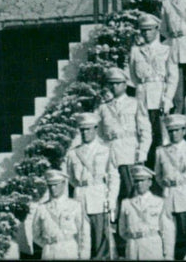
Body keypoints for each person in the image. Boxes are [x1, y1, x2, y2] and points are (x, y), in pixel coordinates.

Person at [65, 111, 119, 260]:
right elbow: (69, 177)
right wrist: (80, 186)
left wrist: (112, 199)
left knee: (100, 235)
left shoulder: (105, 150)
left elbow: (114, 177)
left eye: (88, 129)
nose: (85, 133)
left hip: (98, 194)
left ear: (96, 129)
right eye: (82, 130)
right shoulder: (73, 153)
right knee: (82, 234)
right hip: (80, 195)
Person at [153, 112, 186, 258]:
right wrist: (167, 184)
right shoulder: (161, 151)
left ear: (184, 131)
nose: (174, 133)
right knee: (168, 232)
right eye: (171, 131)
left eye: (177, 130)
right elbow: (158, 175)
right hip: (169, 194)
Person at [98, 67, 152, 205]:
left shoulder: (134, 103)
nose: (114, 86)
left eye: (117, 83)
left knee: (131, 192)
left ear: (125, 84)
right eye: (111, 83)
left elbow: (145, 131)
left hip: (129, 152)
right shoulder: (103, 108)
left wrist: (142, 152)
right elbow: (100, 135)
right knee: (111, 192)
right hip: (110, 152)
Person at [128, 13, 179, 159]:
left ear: (157, 29)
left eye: (150, 29)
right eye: (144, 30)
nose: (147, 33)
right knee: (143, 131)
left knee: (162, 132)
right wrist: (142, 88)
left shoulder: (166, 50)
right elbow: (133, 76)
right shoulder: (136, 51)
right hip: (143, 94)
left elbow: (172, 76)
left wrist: (168, 97)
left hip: (160, 94)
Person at [118, 164, 176, 261]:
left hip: (152, 247)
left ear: (150, 182)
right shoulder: (126, 204)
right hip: (133, 248)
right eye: (136, 181)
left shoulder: (160, 202)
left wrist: (168, 255)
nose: (139, 184)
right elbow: (122, 231)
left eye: (142, 180)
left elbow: (167, 231)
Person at [29, 168, 90, 260]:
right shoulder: (42, 208)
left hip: (69, 250)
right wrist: (47, 244)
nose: (53, 188)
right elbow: (35, 234)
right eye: (50, 185)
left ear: (63, 184)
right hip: (49, 252)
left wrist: (84, 255)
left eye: (56, 185)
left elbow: (84, 233)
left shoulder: (75, 206)